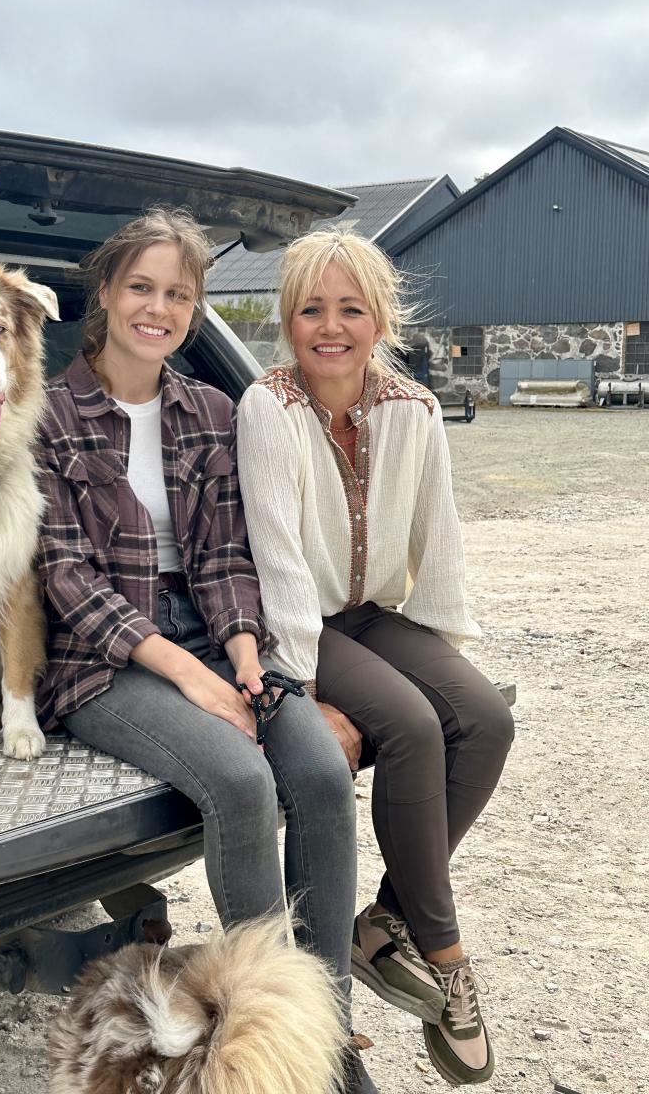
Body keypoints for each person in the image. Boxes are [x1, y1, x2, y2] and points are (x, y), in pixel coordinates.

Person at [34, 208, 378, 1093]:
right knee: (237, 781)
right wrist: (193, 675)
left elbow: (226, 552)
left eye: (179, 293)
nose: (160, 308)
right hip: (104, 664)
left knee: (318, 775)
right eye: (141, 288)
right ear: (104, 294)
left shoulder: (207, 408)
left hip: (216, 645)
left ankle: (324, 1042)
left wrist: (246, 658)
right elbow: (66, 578)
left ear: (196, 306)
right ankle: (270, 1044)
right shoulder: (50, 413)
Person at [237, 227, 515, 1087]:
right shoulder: (268, 408)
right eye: (311, 309)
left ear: (379, 318)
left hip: (373, 615)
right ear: (288, 320)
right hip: (308, 624)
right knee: (412, 728)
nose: (330, 326)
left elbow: (441, 538)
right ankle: (447, 955)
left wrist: (441, 644)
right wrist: (298, 679)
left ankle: (381, 923)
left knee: (485, 719)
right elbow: (277, 556)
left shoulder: (414, 411)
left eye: (350, 309)